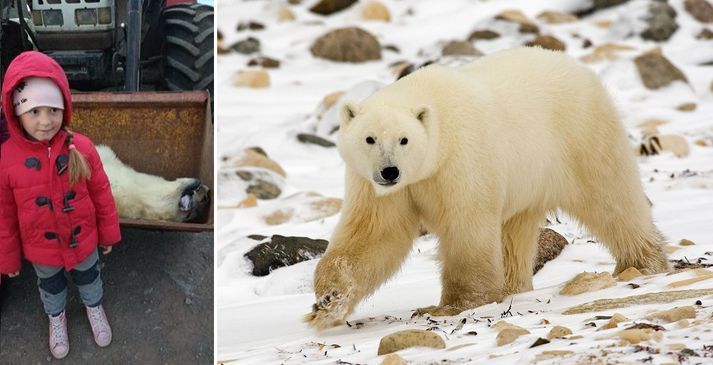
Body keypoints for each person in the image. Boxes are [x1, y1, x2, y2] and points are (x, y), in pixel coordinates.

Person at [0, 51, 121, 359]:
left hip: (83, 240)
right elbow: (4, 214)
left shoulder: (81, 147)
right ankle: (57, 318)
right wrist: (8, 258)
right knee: (50, 286)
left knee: (89, 276)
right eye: (34, 111)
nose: (45, 121)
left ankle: (94, 308)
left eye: (53, 110)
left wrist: (108, 232)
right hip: (41, 246)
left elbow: (101, 192)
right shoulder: (7, 159)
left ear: (65, 107)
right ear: (15, 112)